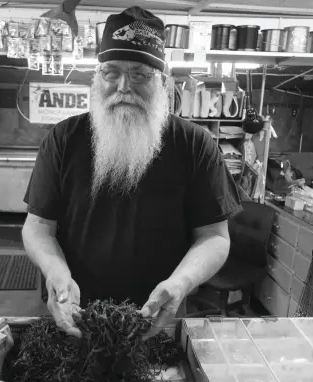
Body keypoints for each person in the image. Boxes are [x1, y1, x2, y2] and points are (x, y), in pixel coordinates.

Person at [22, 6, 242, 339]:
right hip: (74, 314)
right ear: (99, 77)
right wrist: (55, 272)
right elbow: (38, 227)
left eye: (139, 74)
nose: (124, 86)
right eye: (111, 72)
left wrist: (180, 283)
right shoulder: (63, 140)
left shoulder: (196, 145)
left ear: (162, 82)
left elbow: (214, 237)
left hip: (157, 318)